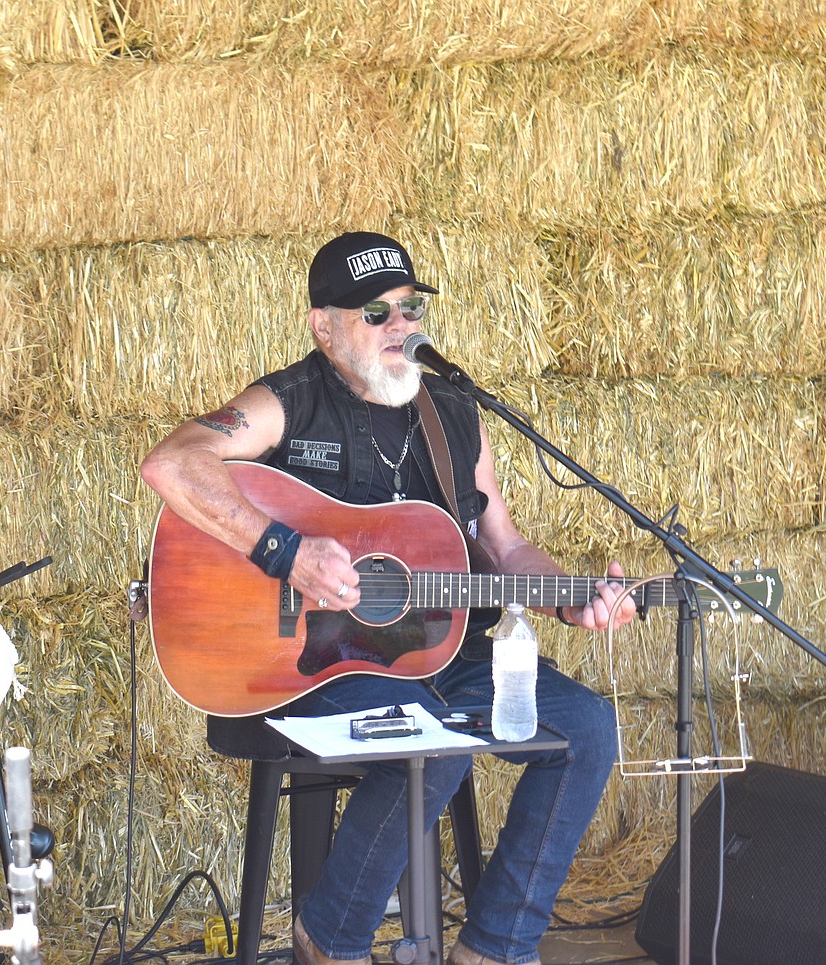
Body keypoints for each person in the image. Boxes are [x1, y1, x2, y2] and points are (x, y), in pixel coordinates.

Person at [140, 231, 637, 965]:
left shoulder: (453, 413)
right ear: (324, 326)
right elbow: (172, 463)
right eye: (376, 313)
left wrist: (570, 595)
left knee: (590, 727)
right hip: (308, 663)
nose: (402, 325)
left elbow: (502, 546)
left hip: (444, 652)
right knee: (428, 739)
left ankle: (497, 947)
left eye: (410, 307)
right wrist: (287, 551)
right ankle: (330, 940)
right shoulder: (292, 402)